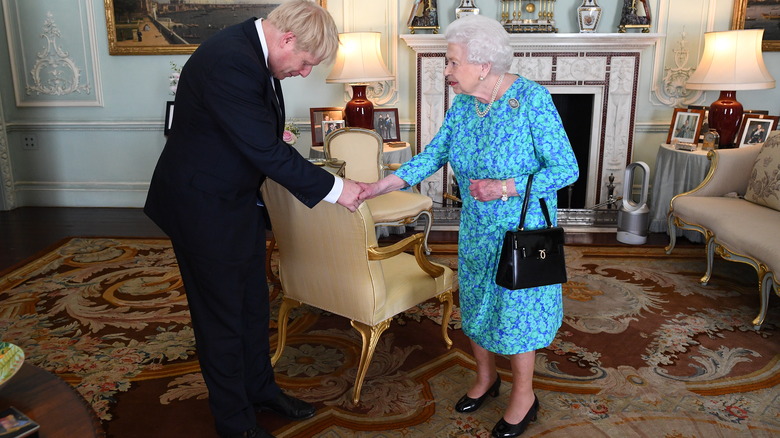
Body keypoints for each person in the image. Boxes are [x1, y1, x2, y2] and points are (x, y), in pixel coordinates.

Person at [144, 1, 362, 437]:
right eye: (305, 63)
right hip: (201, 207)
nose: (304, 73)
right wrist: (340, 190)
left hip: (234, 199)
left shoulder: (252, 50)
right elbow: (265, 149)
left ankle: (262, 391)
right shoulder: (229, 59)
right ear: (286, 39)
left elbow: (256, 135)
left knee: (252, 304)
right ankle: (235, 423)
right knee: (221, 318)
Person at [359, 15, 579, 438]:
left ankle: (524, 396)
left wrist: (504, 188)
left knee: (517, 315)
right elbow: (435, 153)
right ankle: (485, 378)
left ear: (482, 64)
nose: (446, 70)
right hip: (477, 228)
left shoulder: (532, 100)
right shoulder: (465, 104)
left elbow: (566, 168)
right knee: (477, 304)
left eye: (452, 61)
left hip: (521, 229)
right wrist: (382, 184)